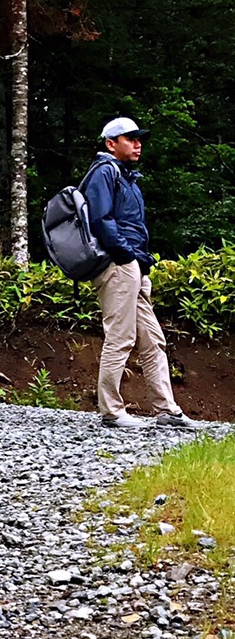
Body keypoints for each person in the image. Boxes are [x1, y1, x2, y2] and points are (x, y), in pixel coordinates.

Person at [83, 117, 200, 432]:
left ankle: (167, 409)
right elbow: (101, 220)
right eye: (130, 138)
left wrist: (136, 260)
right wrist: (128, 255)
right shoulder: (105, 172)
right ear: (111, 143)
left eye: (139, 138)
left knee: (152, 340)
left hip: (132, 267)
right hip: (119, 266)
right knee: (120, 337)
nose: (138, 143)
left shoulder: (124, 176)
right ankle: (111, 411)